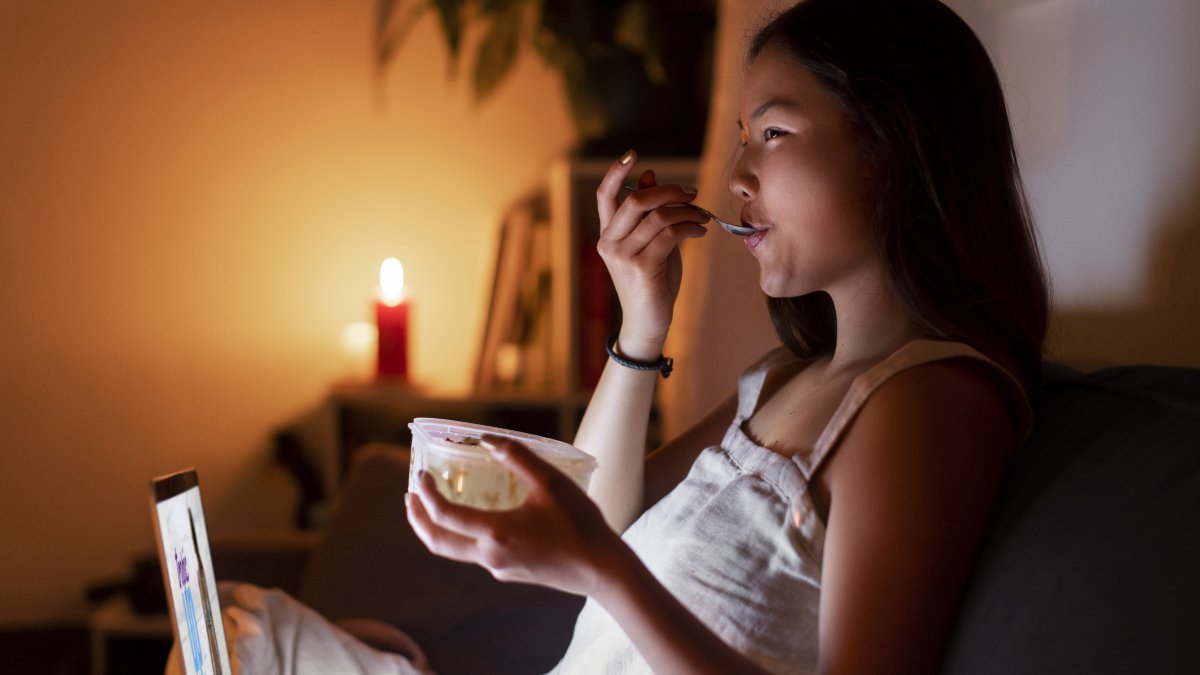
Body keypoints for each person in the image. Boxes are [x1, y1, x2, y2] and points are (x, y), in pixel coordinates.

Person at [404, 0, 1049, 673]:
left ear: (892, 146)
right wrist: (642, 323)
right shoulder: (783, 375)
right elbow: (595, 517)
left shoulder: (926, 403)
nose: (735, 178)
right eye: (743, 135)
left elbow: (593, 550)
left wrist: (605, 572)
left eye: (772, 133)